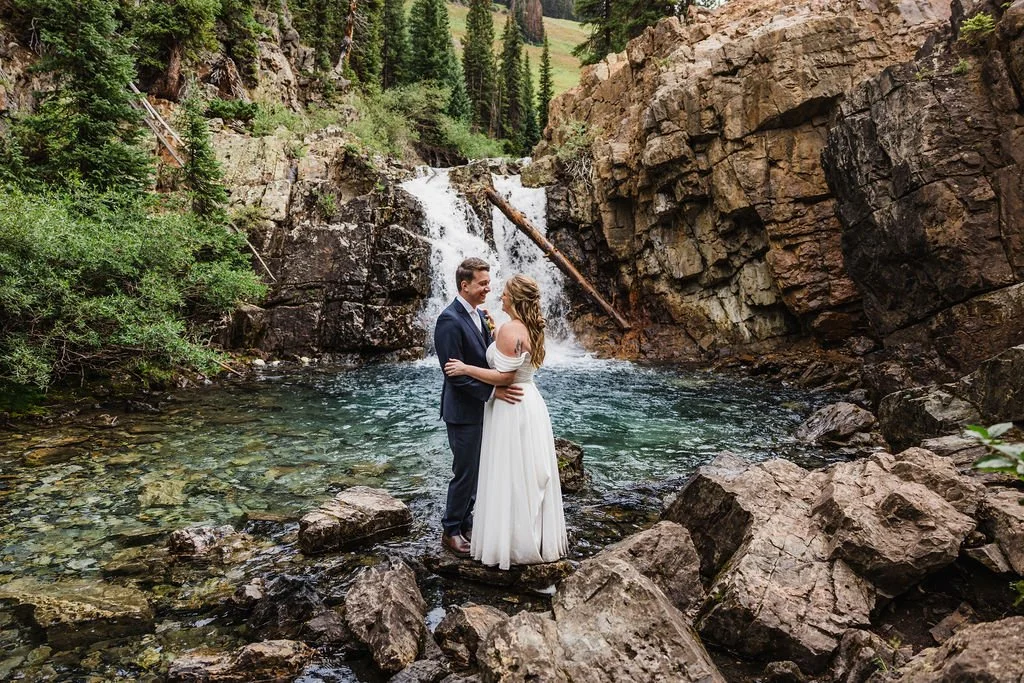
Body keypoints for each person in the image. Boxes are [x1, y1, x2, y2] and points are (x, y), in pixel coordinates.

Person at [443, 274, 568, 570]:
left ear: (515, 298)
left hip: (510, 403)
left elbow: (506, 377)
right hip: (529, 403)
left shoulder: (512, 329)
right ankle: (528, 534)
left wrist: (465, 368)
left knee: (509, 470)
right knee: (524, 470)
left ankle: (508, 540)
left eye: (506, 293)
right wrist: (492, 329)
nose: (500, 296)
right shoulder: (529, 327)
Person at [434, 258, 523, 558]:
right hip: (462, 411)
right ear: (465, 285)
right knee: (464, 472)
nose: (489, 288)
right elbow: (453, 374)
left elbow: (485, 358)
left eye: (489, 282)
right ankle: (451, 531)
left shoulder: (479, 315)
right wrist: (493, 392)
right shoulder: (449, 320)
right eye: (483, 283)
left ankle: (467, 521)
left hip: (481, 408)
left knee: (477, 470)